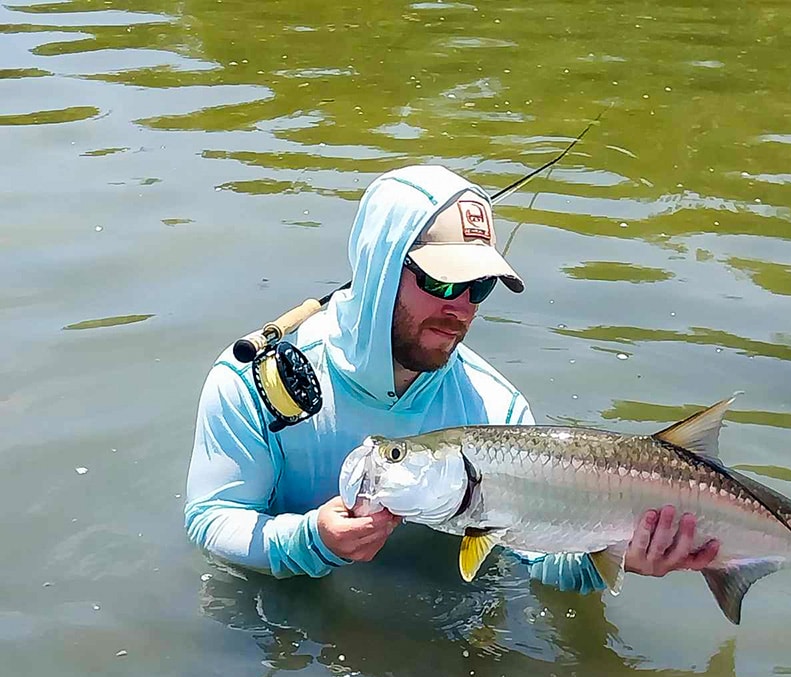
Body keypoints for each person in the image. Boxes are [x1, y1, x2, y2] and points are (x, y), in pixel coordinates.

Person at [185, 164, 719, 588]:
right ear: (382, 268)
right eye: (443, 283)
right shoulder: (251, 381)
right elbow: (212, 521)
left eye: (480, 287)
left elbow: (530, 562)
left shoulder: (496, 411)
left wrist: (614, 554)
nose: (462, 309)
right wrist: (308, 541)